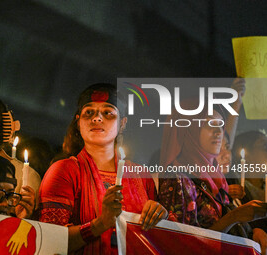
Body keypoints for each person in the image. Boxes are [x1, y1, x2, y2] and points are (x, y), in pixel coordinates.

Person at [38, 83, 167, 254]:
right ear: (78, 122)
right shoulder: (64, 171)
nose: (97, 118)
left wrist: (162, 217)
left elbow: (158, 239)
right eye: (89, 112)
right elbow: (49, 240)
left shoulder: (141, 175)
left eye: (108, 113)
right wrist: (101, 223)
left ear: (122, 124)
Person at [158, 99, 267, 254]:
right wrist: (235, 217)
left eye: (221, 125)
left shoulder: (216, 178)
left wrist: (252, 231)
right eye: (209, 124)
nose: (219, 132)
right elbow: (184, 245)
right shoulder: (177, 178)